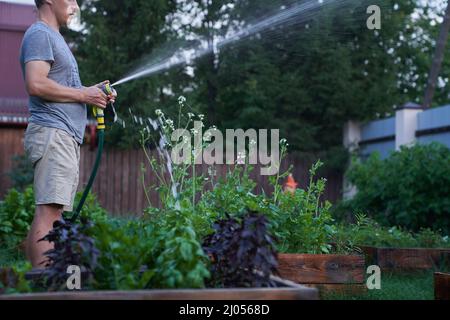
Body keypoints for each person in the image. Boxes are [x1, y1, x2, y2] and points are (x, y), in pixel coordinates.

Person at [19, 0, 116, 268]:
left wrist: (94, 91)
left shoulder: (54, 37)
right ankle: (43, 286)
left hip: (61, 134)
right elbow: (36, 83)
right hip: (53, 132)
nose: (75, 6)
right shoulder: (40, 34)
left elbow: (63, 88)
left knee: (54, 212)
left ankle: (41, 281)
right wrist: (85, 94)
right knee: (49, 211)